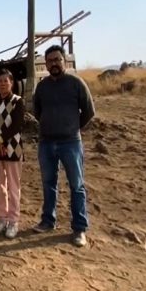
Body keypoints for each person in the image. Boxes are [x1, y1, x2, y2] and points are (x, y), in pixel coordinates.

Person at [33, 45, 95, 248]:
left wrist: (72, 127)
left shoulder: (76, 83)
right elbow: (37, 111)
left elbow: (89, 111)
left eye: (57, 59)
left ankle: (79, 228)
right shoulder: (42, 87)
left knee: (76, 186)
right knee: (48, 183)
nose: (54, 64)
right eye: (50, 61)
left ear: (64, 61)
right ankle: (47, 221)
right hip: (46, 142)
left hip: (70, 143)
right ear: (45, 64)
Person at [0, 69, 25, 238]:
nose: (2, 84)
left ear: (11, 83)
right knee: (0, 185)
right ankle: (2, 218)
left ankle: (13, 221)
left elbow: (17, 125)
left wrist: (1, 140)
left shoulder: (17, 101)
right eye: (0, 81)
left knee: (13, 186)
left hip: (12, 148)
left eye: (6, 81)